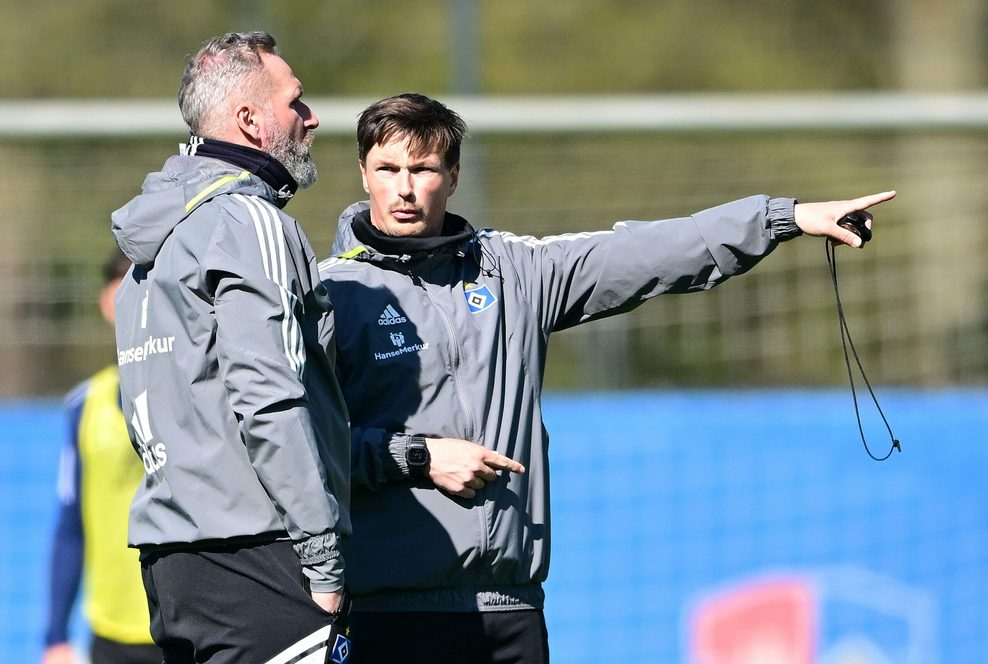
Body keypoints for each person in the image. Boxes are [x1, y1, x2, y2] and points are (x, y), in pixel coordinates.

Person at [317, 92, 896, 663]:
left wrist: (782, 218)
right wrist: (417, 456)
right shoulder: (326, 293)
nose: (404, 187)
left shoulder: (515, 270)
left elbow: (646, 253)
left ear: (455, 174)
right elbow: (303, 446)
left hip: (509, 611)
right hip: (386, 612)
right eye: (387, 169)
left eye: (422, 169)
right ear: (363, 174)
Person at [111, 32, 351, 664]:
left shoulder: (149, 246)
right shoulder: (250, 221)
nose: (312, 117)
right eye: (296, 101)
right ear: (251, 120)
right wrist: (322, 559)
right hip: (263, 558)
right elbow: (270, 396)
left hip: (174, 571)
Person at [41, 249, 163, 664]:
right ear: (106, 304)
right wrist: (56, 634)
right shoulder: (84, 405)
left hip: (191, 624)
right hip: (112, 636)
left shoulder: (198, 389)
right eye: (122, 290)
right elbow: (70, 525)